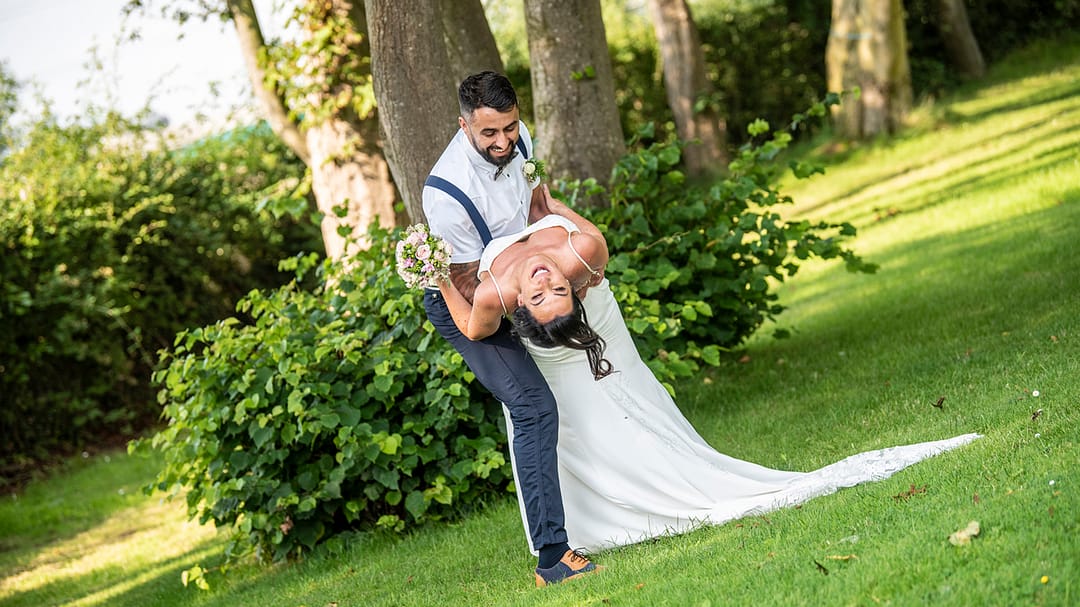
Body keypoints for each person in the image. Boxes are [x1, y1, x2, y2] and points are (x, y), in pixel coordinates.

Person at [444, 209, 981, 554]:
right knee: (591, 402)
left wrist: (538, 209)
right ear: (528, 310)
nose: (544, 282)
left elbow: (566, 228)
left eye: (553, 288)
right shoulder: (509, 290)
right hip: (560, 321)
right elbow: (473, 326)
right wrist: (439, 275)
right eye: (543, 295)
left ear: (574, 282)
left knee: (617, 382)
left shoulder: (580, 256)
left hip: (597, 314)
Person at [421, 71, 599, 587]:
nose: (504, 143)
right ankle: (553, 559)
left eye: (511, 129)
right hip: (471, 299)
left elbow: (540, 207)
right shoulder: (447, 195)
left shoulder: (520, 140)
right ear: (463, 125)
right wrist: (528, 294)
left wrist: (564, 274)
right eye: (489, 135)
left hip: (524, 280)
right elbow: (472, 304)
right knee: (534, 407)